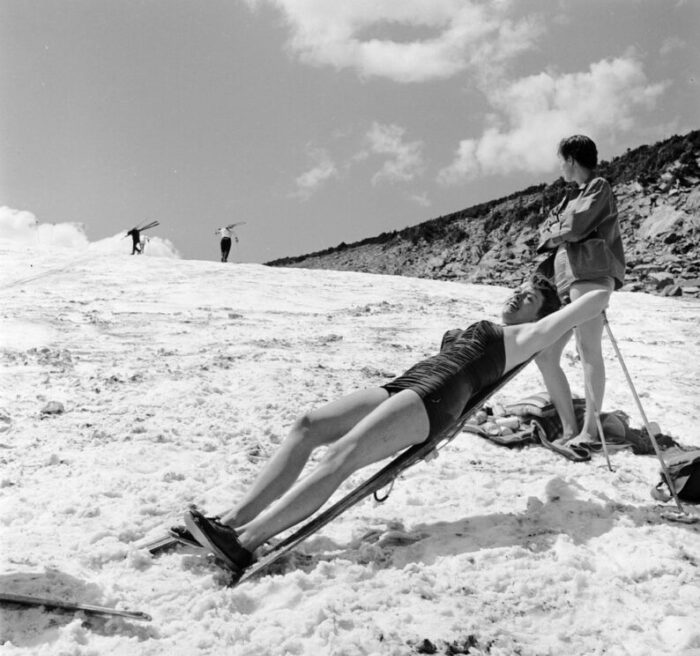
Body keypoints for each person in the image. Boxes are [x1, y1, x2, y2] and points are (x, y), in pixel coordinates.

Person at [184, 276, 611, 575]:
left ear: (542, 315)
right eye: (518, 291)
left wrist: (594, 285)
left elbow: (590, 303)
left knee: (342, 455)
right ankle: (233, 520)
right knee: (308, 425)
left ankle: (246, 542)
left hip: (436, 397)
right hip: (408, 384)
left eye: (531, 299)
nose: (519, 297)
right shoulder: (498, 328)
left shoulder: (526, 338)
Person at [534, 135, 625, 449]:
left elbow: (572, 228)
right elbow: (543, 233)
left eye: (561, 159)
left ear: (571, 158)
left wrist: (557, 233)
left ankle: (588, 431)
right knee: (546, 354)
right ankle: (571, 428)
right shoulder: (568, 198)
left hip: (591, 274)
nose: (560, 166)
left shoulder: (598, 186)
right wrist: (557, 232)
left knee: (588, 350)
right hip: (569, 281)